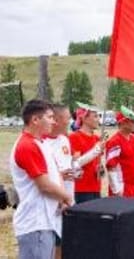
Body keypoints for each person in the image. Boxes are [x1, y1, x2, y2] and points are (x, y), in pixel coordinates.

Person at [10, 99, 73, 259]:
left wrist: (61, 199)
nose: (54, 121)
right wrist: (66, 198)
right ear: (35, 120)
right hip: (35, 223)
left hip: (46, 221)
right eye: (50, 117)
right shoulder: (27, 146)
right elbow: (44, 186)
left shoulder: (41, 143)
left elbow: (54, 173)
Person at [43, 104, 74, 259]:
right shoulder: (42, 143)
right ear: (56, 119)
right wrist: (60, 174)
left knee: (64, 241)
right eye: (67, 118)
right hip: (52, 203)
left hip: (67, 199)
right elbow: (41, 178)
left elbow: (68, 164)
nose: (70, 121)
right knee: (52, 242)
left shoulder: (64, 140)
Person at [69, 103, 106, 204]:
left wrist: (101, 170)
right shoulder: (74, 137)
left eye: (98, 116)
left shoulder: (97, 138)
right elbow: (76, 163)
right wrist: (96, 150)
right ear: (84, 118)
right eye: (95, 116)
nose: (98, 119)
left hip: (96, 187)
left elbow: (98, 162)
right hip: (82, 189)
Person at [105, 107, 134, 197]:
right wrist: (116, 190)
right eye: (132, 122)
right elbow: (111, 167)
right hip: (122, 187)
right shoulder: (115, 141)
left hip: (133, 186)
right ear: (123, 122)